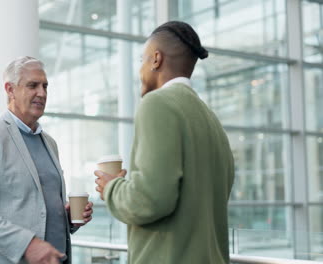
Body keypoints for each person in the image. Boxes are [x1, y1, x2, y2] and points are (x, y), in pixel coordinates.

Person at [94, 21, 235, 264]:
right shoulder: (210, 119)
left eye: (142, 60)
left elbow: (150, 200)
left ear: (156, 59)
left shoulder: (157, 104)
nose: (140, 70)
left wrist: (111, 188)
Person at [0, 56, 93, 264]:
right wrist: (27, 244)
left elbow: (35, 211)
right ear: (10, 90)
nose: (42, 93)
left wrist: (66, 218)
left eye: (45, 86)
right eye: (33, 86)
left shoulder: (49, 143)